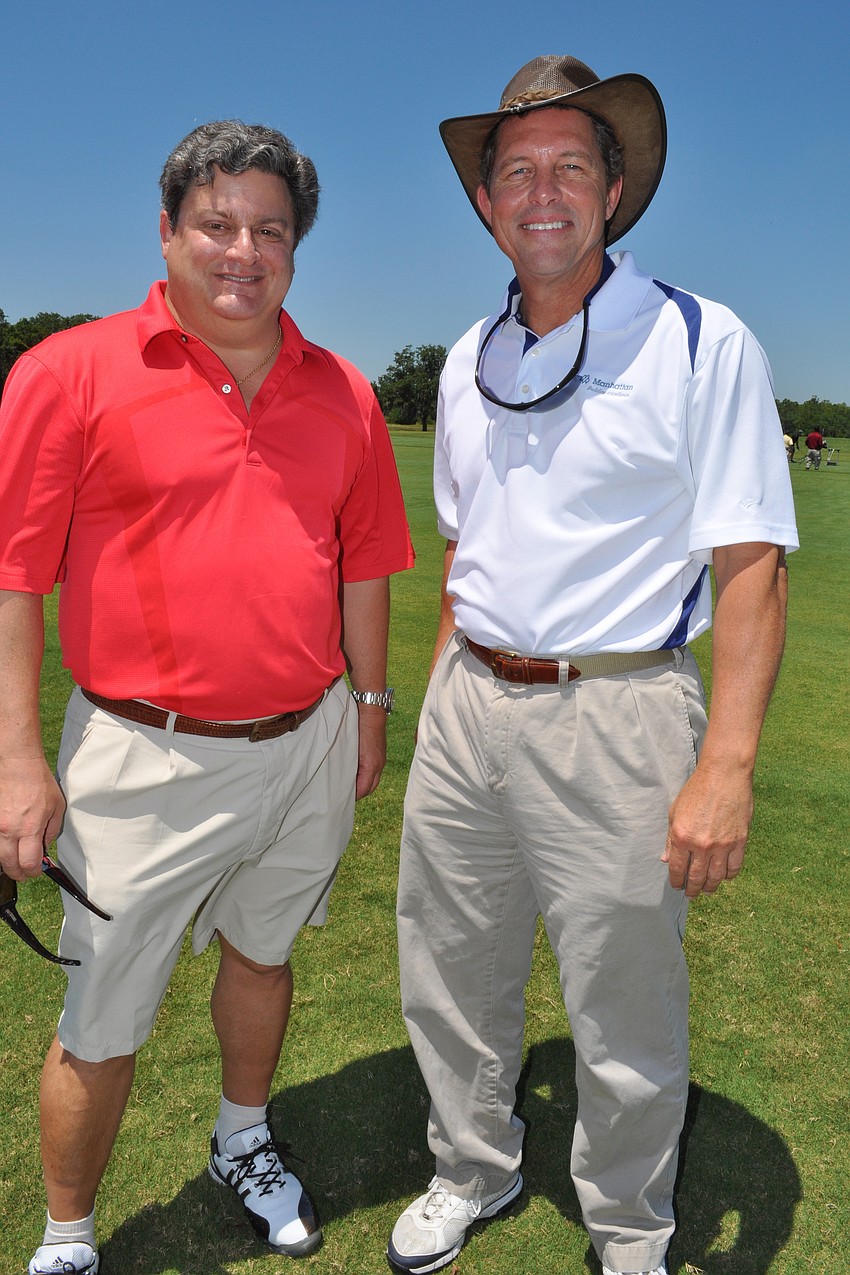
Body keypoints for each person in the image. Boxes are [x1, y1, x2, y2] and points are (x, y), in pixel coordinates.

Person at [387, 56, 797, 1275]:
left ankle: (628, 1224)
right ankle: (471, 1169)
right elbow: (467, 545)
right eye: (516, 170)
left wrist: (724, 766)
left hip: (618, 707)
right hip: (471, 706)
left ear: (614, 190)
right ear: (486, 203)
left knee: (622, 1005)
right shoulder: (468, 356)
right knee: (448, 968)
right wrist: (447, 698)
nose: (543, 190)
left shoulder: (697, 336)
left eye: (571, 164)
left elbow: (751, 567)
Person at [0, 120, 413, 1275]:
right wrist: (16, 759)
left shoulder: (342, 392)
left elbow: (366, 562)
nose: (244, 251)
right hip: (140, 754)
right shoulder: (67, 370)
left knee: (263, 956)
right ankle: (69, 1236)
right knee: (102, 1018)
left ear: (296, 247)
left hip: (307, 741)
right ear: (169, 231)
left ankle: (243, 1139)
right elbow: (13, 578)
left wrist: (370, 713)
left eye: (270, 230)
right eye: (217, 225)